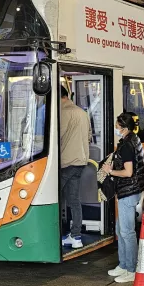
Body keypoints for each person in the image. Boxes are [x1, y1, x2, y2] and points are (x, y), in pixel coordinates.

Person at [102, 112, 144, 283]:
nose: (115, 127)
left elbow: (128, 172)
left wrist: (110, 171)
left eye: (117, 125)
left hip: (128, 191)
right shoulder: (132, 140)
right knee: (120, 230)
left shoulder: (127, 145)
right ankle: (123, 264)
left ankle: (131, 269)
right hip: (130, 190)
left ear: (124, 127)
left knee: (127, 232)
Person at [60, 86, 91, 249]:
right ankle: (76, 236)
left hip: (66, 162)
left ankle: (53, 233)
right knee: (74, 200)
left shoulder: (64, 112)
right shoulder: (82, 112)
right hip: (81, 162)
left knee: (53, 198)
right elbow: (89, 136)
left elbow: (56, 136)